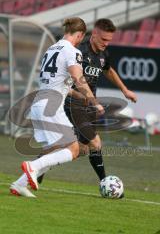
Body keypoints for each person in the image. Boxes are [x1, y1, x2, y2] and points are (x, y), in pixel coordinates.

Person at [10, 17, 104, 197]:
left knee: (53, 150)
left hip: (39, 103)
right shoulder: (72, 51)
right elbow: (78, 78)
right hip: (51, 105)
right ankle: (33, 166)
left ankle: (19, 184)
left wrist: (79, 96)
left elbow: (62, 84)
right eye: (81, 38)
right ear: (80, 35)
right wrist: (93, 100)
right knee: (74, 149)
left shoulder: (51, 48)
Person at [37, 18, 137, 186]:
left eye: (109, 40)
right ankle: (106, 184)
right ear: (94, 34)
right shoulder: (78, 51)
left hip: (90, 106)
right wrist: (85, 98)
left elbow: (108, 70)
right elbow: (71, 78)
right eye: (104, 39)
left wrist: (124, 90)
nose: (106, 43)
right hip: (74, 103)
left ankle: (38, 166)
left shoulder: (103, 53)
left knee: (79, 149)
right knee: (95, 143)